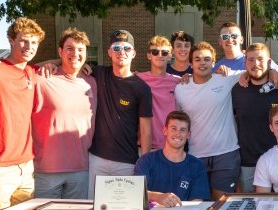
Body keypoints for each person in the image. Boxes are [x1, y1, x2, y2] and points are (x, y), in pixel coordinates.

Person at [0, 17, 45, 209]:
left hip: (26, 166)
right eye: (24, 40)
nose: (29, 46)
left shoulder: (31, 72)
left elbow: (53, 64)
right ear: (11, 40)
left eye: (34, 42)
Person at [31, 28, 97, 199]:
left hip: (81, 169)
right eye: (69, 48)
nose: (75, 53)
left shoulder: (92, 82)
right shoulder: (42, 78)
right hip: (46, 170)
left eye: (80, 50)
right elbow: (18, 69)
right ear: (60, 52)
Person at [87, 30, 153, 198]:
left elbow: (145, 130)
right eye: (116, 47)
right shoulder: (98, 74)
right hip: (97, 159)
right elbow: (70, 63)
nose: (121, 52)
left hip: (127, 162)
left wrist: (143, 166)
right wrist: (54, 63)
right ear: (109, 52)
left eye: (127, 48)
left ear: (134, 53)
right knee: (95, 206)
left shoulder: (141, 88)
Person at [175, 41, 244, 200]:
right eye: (197, 59)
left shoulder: (225, 79)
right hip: (196, 155)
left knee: (220, 203)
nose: (202, 62)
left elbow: (256, 70)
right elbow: (180, 119)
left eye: (207, 59)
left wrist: (276, 73)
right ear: (191, 64)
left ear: (213, 62)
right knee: (198, 202)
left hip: (226, 154)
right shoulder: (181, 88)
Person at [231, 43, 278, 193]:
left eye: (260, 59)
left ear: (269, 62)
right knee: (250, 204)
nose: (256, 64)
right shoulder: (237, 90)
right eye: (251, 60)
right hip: (248, 162)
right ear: (245, 62)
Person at [134, 111, 210, 208]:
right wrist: (157, 197)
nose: (178, 134)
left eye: (183, 130)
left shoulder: (197, 166)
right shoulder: (146, 161)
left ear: (188, 134)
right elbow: (135, 191)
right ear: (165, 130)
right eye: (173, 128)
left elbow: (197, 203)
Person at [136, 35, 180, 150]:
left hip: (171, 146)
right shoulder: (137, 79)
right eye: (155, 52)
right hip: (144, 146)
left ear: (170, 56)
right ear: (149, 55)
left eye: (164, 52)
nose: (160, 55)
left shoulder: (179, 82)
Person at [213, 22, 278, 72]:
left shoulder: (258, 60)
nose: (230, 39)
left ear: (241, 40)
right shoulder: (216, 69)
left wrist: (272, 73)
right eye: (225, 37)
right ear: (220, 41)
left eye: (234, 36)